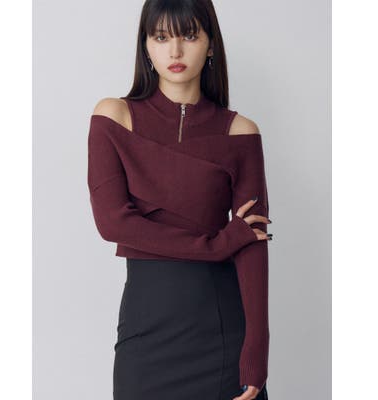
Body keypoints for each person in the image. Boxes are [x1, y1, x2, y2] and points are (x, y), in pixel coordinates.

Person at [87, 1, 272, 399]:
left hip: (221, 335)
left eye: (189, 36)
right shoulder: (113, 117)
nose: (174, 50)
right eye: (161, 37)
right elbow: (113, 223)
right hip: (145, 334)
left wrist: (256, 352)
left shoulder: (240, 132)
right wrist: (218, 244)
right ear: (146, 46)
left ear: (210, 44)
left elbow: (253, 247)